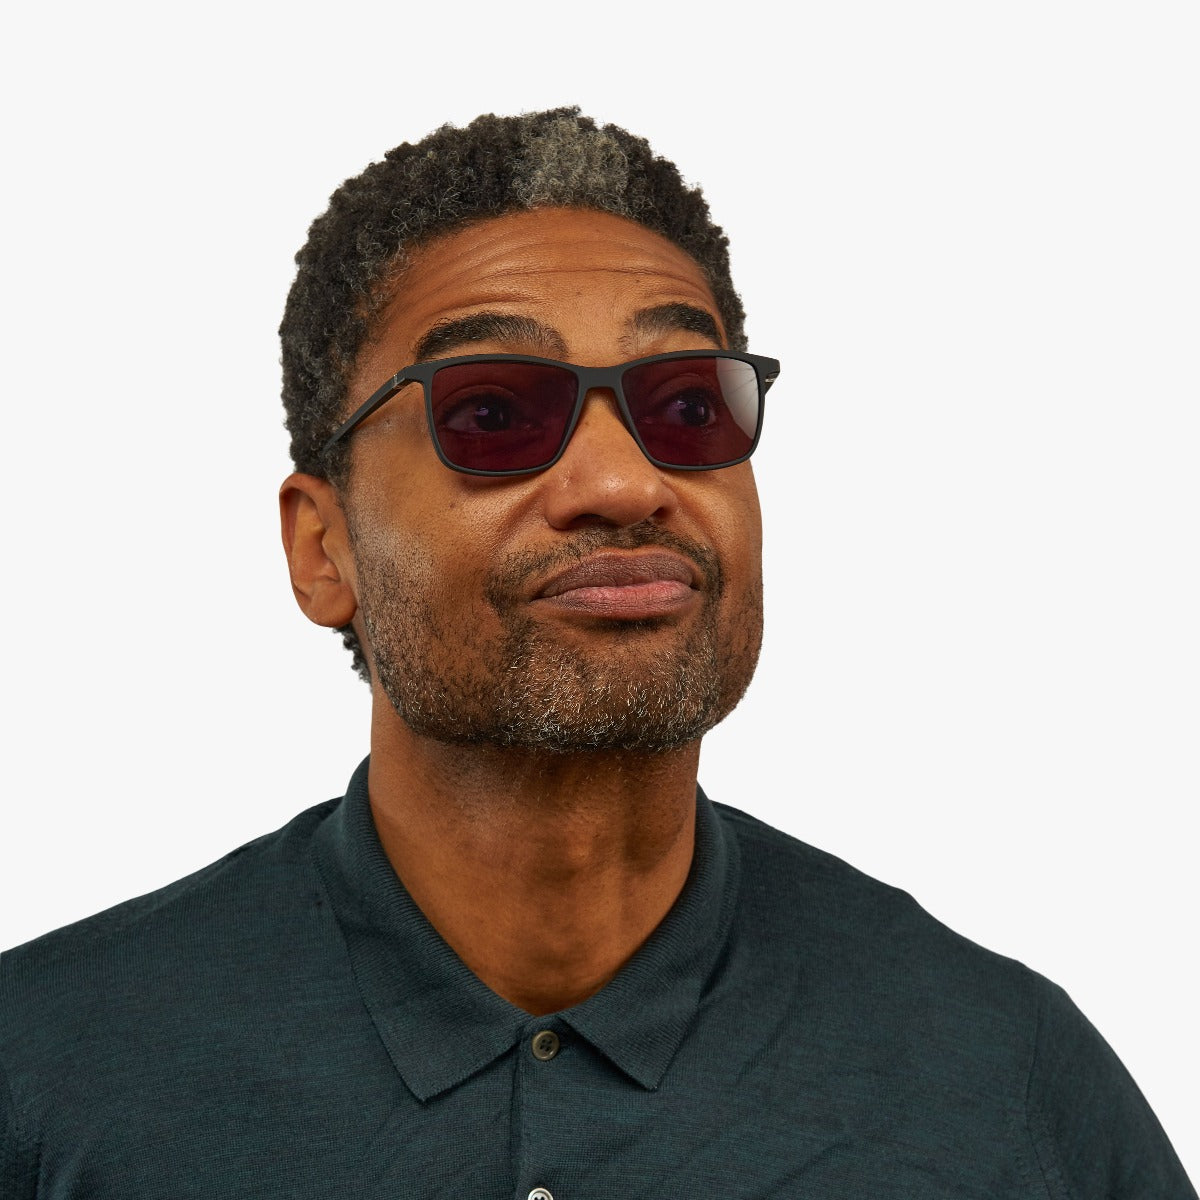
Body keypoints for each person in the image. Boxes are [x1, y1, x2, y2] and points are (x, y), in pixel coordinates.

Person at [0, 108, 1193, 1199]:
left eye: (688, 407)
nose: (625, 482)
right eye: (491, 411)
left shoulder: (1007, 1087)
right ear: (324, 549)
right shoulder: (47, 1077)